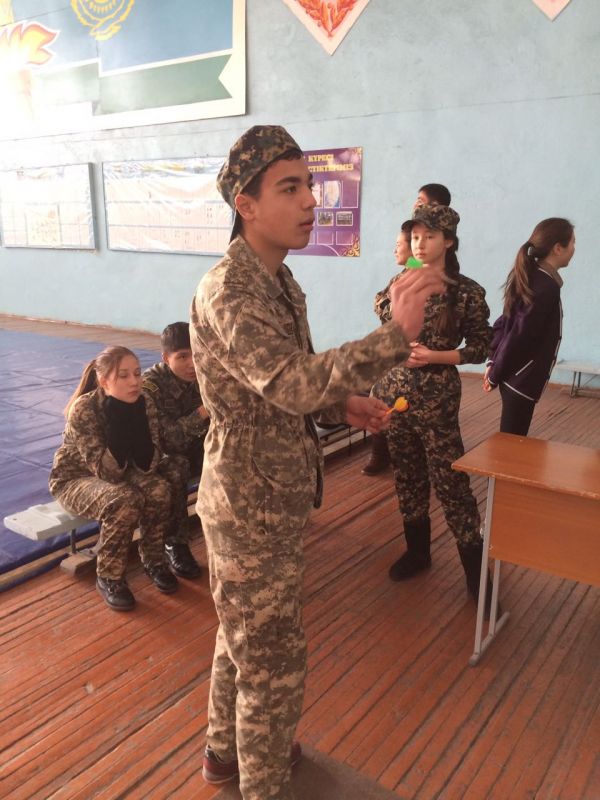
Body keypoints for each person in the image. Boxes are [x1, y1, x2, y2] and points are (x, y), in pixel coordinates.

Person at [189, 125, 446, 800]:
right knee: (272, 660)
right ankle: (263, 783)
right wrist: (395, 335)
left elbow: (283, 382)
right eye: (290, 188)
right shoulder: (231, 289)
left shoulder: (277, 280)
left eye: (309, 185)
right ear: (246, 205)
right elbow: (291, 382)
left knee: (245, 638)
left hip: (270, 492)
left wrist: (343, 405)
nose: (310, 200)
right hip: (246, 502)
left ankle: (225, 753)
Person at [371, 204, 494, 608]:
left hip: (437, 395)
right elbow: (382, 314)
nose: (420, 244)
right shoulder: (401, 280)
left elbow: (482, 346)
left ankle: (477, 576)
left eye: (429, 236)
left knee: (451, 483)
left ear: (449, 241)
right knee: (407, 474)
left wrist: (437, 356)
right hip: (396, 391)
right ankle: (418, 553)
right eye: (415, 237)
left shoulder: (466, 291)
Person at [49, 346, 179, 611]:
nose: (134, 382)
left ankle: (153, 561)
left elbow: (150, 464)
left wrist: (137, 423)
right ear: (104, 381)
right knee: (124, 500)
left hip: (122, 470)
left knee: (159, 489)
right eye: (123, 375)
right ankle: (109, 576)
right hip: (74, 479)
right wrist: (119, 420)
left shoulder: (144, 402)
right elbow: (107, 472)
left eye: (137, 373)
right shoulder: (84, 409)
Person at [362, 182, 452, 476]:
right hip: (400, 356)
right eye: (413, 239)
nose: (415, 205)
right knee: (383, 397)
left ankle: (398, 455)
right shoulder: (408, 271)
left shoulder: (442, 274)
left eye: (421, 201)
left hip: (425, 364)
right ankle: (382, 453)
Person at [484, 218, 575, 435]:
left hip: (514, 377)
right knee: (512, 441)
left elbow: (506, 323)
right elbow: (518, 335)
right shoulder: (545, 286)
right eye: (572, 243)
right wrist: (494, 372)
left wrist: (493, 362)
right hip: (521, 380)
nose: (574, 249)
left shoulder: (533, 275)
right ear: (558, 248)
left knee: (512, 439)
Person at [142, 322, 209, 578]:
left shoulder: (205, 372)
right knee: (177, 467)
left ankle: (238, 521)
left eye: (195, 354)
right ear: (165, 358)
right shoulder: (151, 387)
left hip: (195, 445)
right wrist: (202, 413)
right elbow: (167, 439)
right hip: (160, 457)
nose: (192, 364)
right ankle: (175, 544)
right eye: (182, 357)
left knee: (232, 448)